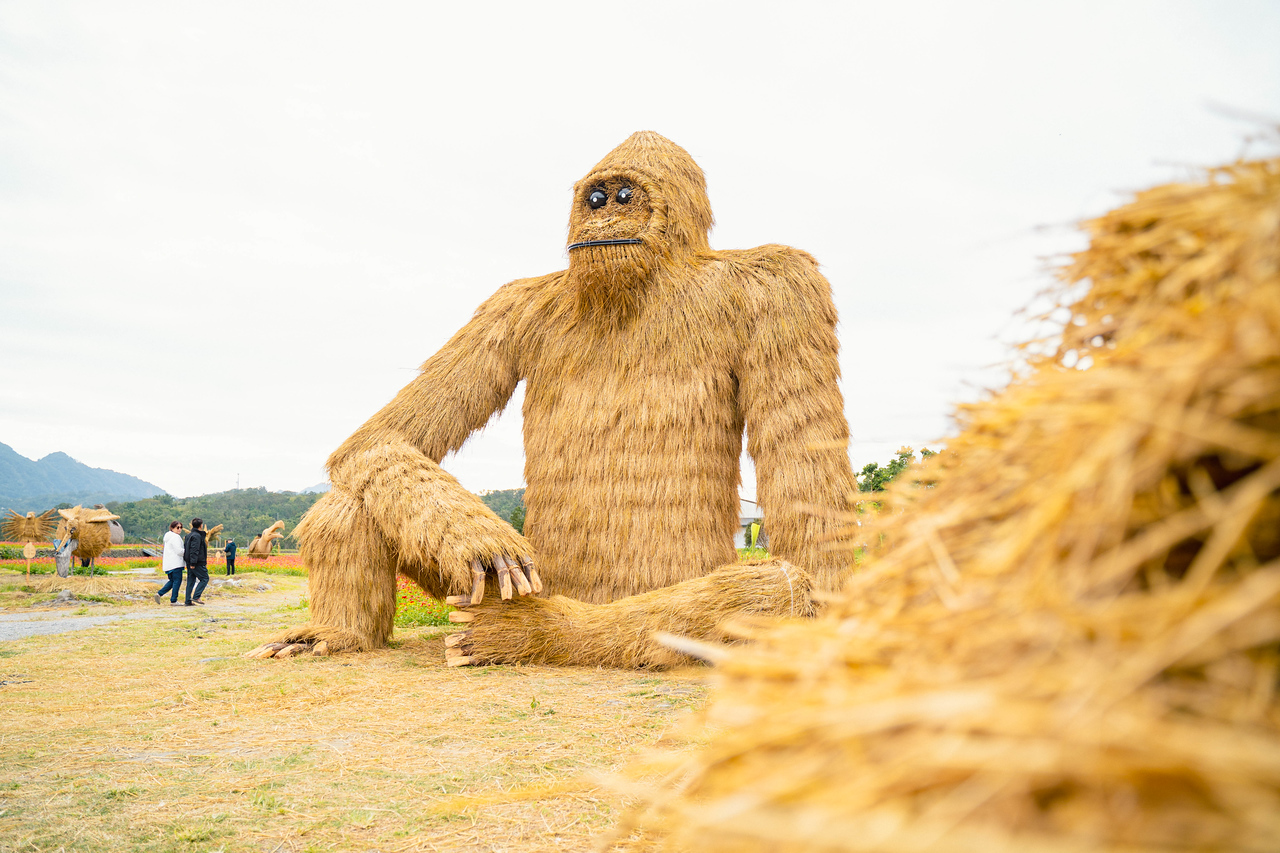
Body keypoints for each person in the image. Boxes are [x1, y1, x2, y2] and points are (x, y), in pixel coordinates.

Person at [155, 521, 185, 605]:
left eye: (180, 527)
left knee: (172, 581)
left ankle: (159, 593)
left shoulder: (168, 537)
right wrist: (188, 552)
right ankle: (174, 600)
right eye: (177, 527)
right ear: (172, 528)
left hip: (169, 564)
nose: (179, 529)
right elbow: (179, 551)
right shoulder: (176, 537)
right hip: (176, 563)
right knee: (177, 581)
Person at [183, 518, 209, 606]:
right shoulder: (197, 536)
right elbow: (194, 550)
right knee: (205, 578)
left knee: (191, 581)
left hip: (189, 561)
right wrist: (193, 563)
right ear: (201, 525)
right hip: (197, 562)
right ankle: (196, 596)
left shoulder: (188, 535)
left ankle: (187, 600)